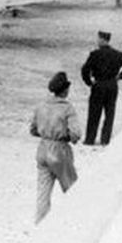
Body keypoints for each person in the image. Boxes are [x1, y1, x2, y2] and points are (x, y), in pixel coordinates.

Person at [30, 71, 82, 224]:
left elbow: (33, 130)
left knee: (43, 192)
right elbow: (76, 134)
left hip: (43, 148)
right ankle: (74, 222)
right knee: (72, 189)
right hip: (60, 150)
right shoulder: (67, 108)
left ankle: (40, 223)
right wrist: (65, 136)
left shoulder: (41, 106)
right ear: (65, 90)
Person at [81, 31, 122, 146]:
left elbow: (85, 70)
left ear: (103, 40)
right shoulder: (117, 54)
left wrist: (89, 82)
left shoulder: (95, 54)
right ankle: (105, 139)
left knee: (94, 113)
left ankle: (90, 139)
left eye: (98, 39)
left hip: (98, 85)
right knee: (110, 113)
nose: (97, 41)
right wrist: (120, 76)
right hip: (112, 85)